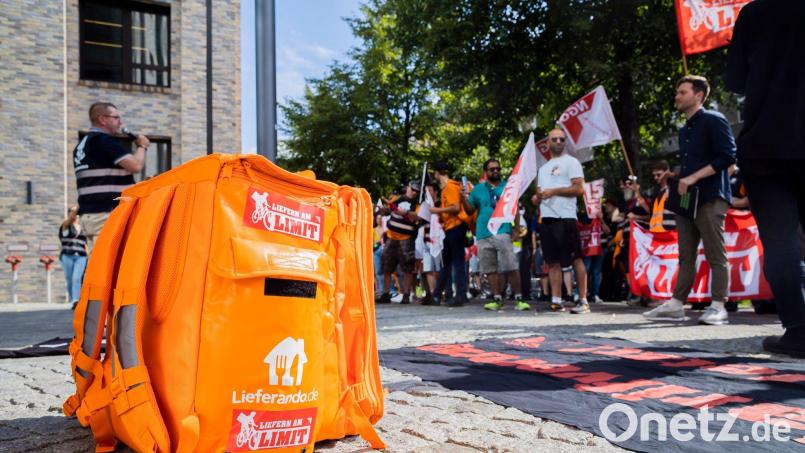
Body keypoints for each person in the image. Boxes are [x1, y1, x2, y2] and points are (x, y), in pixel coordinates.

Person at [726, 0, 805, 356]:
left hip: (767, 142)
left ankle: (799, 330)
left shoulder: (755, 13)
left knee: (780, 242)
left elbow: (737, 81)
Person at [644, 75, 737, 325]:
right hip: (688, 200)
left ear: (698, 95)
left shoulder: (713, 119)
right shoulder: (685, 129)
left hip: (711, 197)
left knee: (716, 254)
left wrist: (694, 177)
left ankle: (718, 306)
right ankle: (676, 304)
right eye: (677, 92)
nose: (677, 96)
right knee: (685, 255)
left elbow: (728, 156)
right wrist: (677, 176)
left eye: (682, 92)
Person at [73, 102, 149, 251]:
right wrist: (142, 146)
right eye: (116, 118)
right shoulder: (103, 141)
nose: (120, 122)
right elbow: (135, 165)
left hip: (90, 216)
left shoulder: (82, 145)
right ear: (103, 119)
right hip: (106, 216)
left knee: (98, 264)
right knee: (109, 267)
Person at [462, 159, 529, 311]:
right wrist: (463, 198)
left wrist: (516, 229)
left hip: (503, 230)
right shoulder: (478, 189)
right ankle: (497, 298)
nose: (496, 171)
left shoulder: (508, 187)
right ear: (486, 172)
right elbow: (469, 211)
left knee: (511, 265)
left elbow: (515, 209)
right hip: (483, 232)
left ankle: (519, 298)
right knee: (490, 268)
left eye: (498, 169)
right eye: (492, 169)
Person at [537, 128, 589, 314]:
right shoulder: (542, 169)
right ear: (547, 143)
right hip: (547, 219)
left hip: (566, 218)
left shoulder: (572, 162)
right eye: (555, 139)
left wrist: (554, 191)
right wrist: (538, 198)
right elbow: (540, 192)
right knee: (552, 262)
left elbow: (578, 189)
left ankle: (583, 300)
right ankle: (556, 300)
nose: (559, 142)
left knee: (575, 258)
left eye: (561, 139)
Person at [430, 162, 469, 307]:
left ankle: (460, 295)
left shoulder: (451, 187)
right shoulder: (446, 188)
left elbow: (455, 207)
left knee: (457, 263)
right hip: (450, 229)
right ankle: (437, 295)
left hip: (456, 228)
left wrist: (436, 211)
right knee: (447, 263)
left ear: (437, 173)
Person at [377, 181, 421, 305]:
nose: (414, 192)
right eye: (412, 189)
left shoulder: (417, 205)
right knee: (386, 266)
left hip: (406, 239)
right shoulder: (396, 199)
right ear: (407, 187)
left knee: (407, 268)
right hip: (391, 238)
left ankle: (406, 295)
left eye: (416, 191)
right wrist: (383, 210)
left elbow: (418, 217)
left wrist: (405, 213)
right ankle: (386, 294)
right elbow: (387, 211)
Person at [59, 206, 88, 310]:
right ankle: (73, 299)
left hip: (81, 256)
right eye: (72, 211)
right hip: (67, 255)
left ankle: (76, 300)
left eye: (76, 211)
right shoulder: (66, 225)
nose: (75, 213)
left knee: (77, 278)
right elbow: (64, 232)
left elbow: (87, 241)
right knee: (69, 279)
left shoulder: (83, 225)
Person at [648, 160, 677, 233]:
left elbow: (685, 181)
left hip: (672, 232)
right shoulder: (655, 192)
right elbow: (652, 213)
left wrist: (672, 175)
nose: (655, 178)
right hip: (656, 233)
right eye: (654, 175)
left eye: (658, 175)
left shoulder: (675, 186)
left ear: (667, 172)